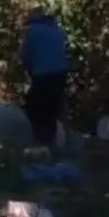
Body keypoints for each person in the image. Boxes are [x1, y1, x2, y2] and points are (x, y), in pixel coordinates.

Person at [20, 9, 70, 150]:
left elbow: (26, 56)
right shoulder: (58, 31)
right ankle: (59, 140)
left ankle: (42, 141)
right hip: (61, 74)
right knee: (54, 105)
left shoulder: (31, 32)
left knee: (34, 107)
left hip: (42, 75)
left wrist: (30, 71)